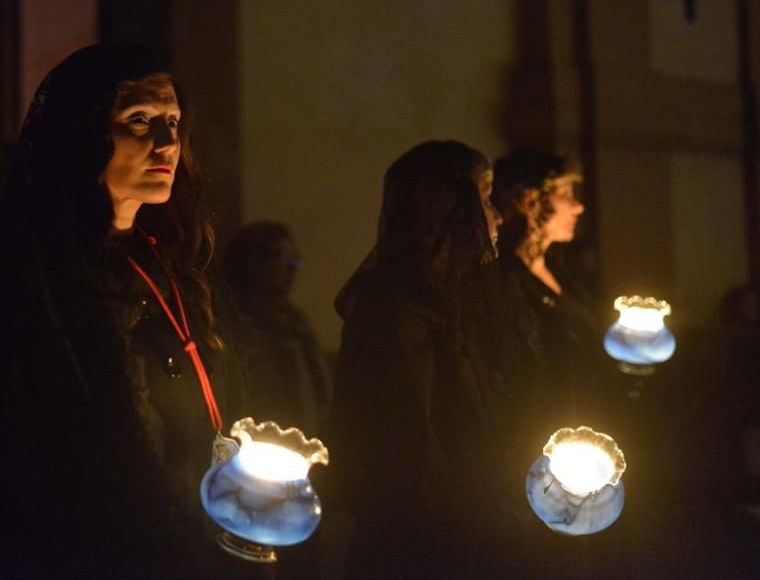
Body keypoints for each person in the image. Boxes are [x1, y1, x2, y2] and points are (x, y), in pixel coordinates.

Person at [0, 43, 245, 576]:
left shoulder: (173, 265)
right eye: (139, 120)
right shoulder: (37, 270)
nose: (167, 143)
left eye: (173, 121)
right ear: (86, 133)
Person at [326, 140, 525, 577]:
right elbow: (412, 439)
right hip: (424, 544)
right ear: (447, 206)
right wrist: (480, 514)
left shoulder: (458, 299)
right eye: (485, 199)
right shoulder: (396, 306)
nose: (497, 217)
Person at [492, 150, 607, 425]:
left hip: (587, 413)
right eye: (566, 194)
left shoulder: (563, 270)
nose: (578, 207)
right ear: (529, 199)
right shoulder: (503, 278)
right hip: (541, 420)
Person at [222, 221, 330, 434]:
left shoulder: (295, 323)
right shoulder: (233, 325)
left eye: (295, 260)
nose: (292, 268)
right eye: (281, 258)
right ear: (251, 263)